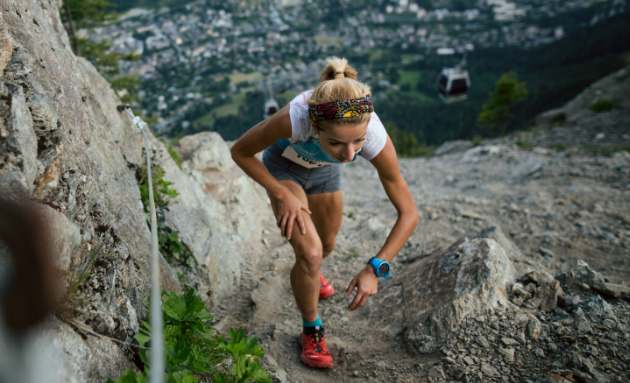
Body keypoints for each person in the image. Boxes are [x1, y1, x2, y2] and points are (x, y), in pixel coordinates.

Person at [231, 57, 418, 369]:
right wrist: (280, 193)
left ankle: (313, 276)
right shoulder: (297, 118)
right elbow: (240, 151)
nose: (350, 155)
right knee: (312, 254)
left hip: (325, 174)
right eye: (337, 143)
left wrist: (375, 267)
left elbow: (409, 213)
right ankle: (311, 329)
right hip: (284, 169)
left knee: (328, 244)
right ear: (316, 128)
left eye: (358, 141)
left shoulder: (373, 134)